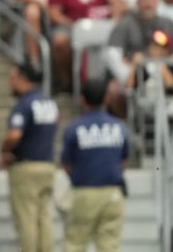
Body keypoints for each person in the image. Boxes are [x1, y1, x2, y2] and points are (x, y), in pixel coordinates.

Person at [60, 80, 129, 252]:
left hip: (84, 192)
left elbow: (67, 164)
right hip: (113, 193)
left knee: (75, 243)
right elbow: (124, 161)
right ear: (106, 99)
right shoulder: (119, 127)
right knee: (109, 246)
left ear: (82, 100)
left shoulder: (74, 128)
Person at [1, 63, 59, 252]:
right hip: (47, 165)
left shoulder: (24, 104)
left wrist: (4, 150)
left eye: (12, 78)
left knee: (26, 219)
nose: (10, 83)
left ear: (22, 78)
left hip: (26, 167)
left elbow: (14, 135)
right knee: (44, 218)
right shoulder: (49, 103)